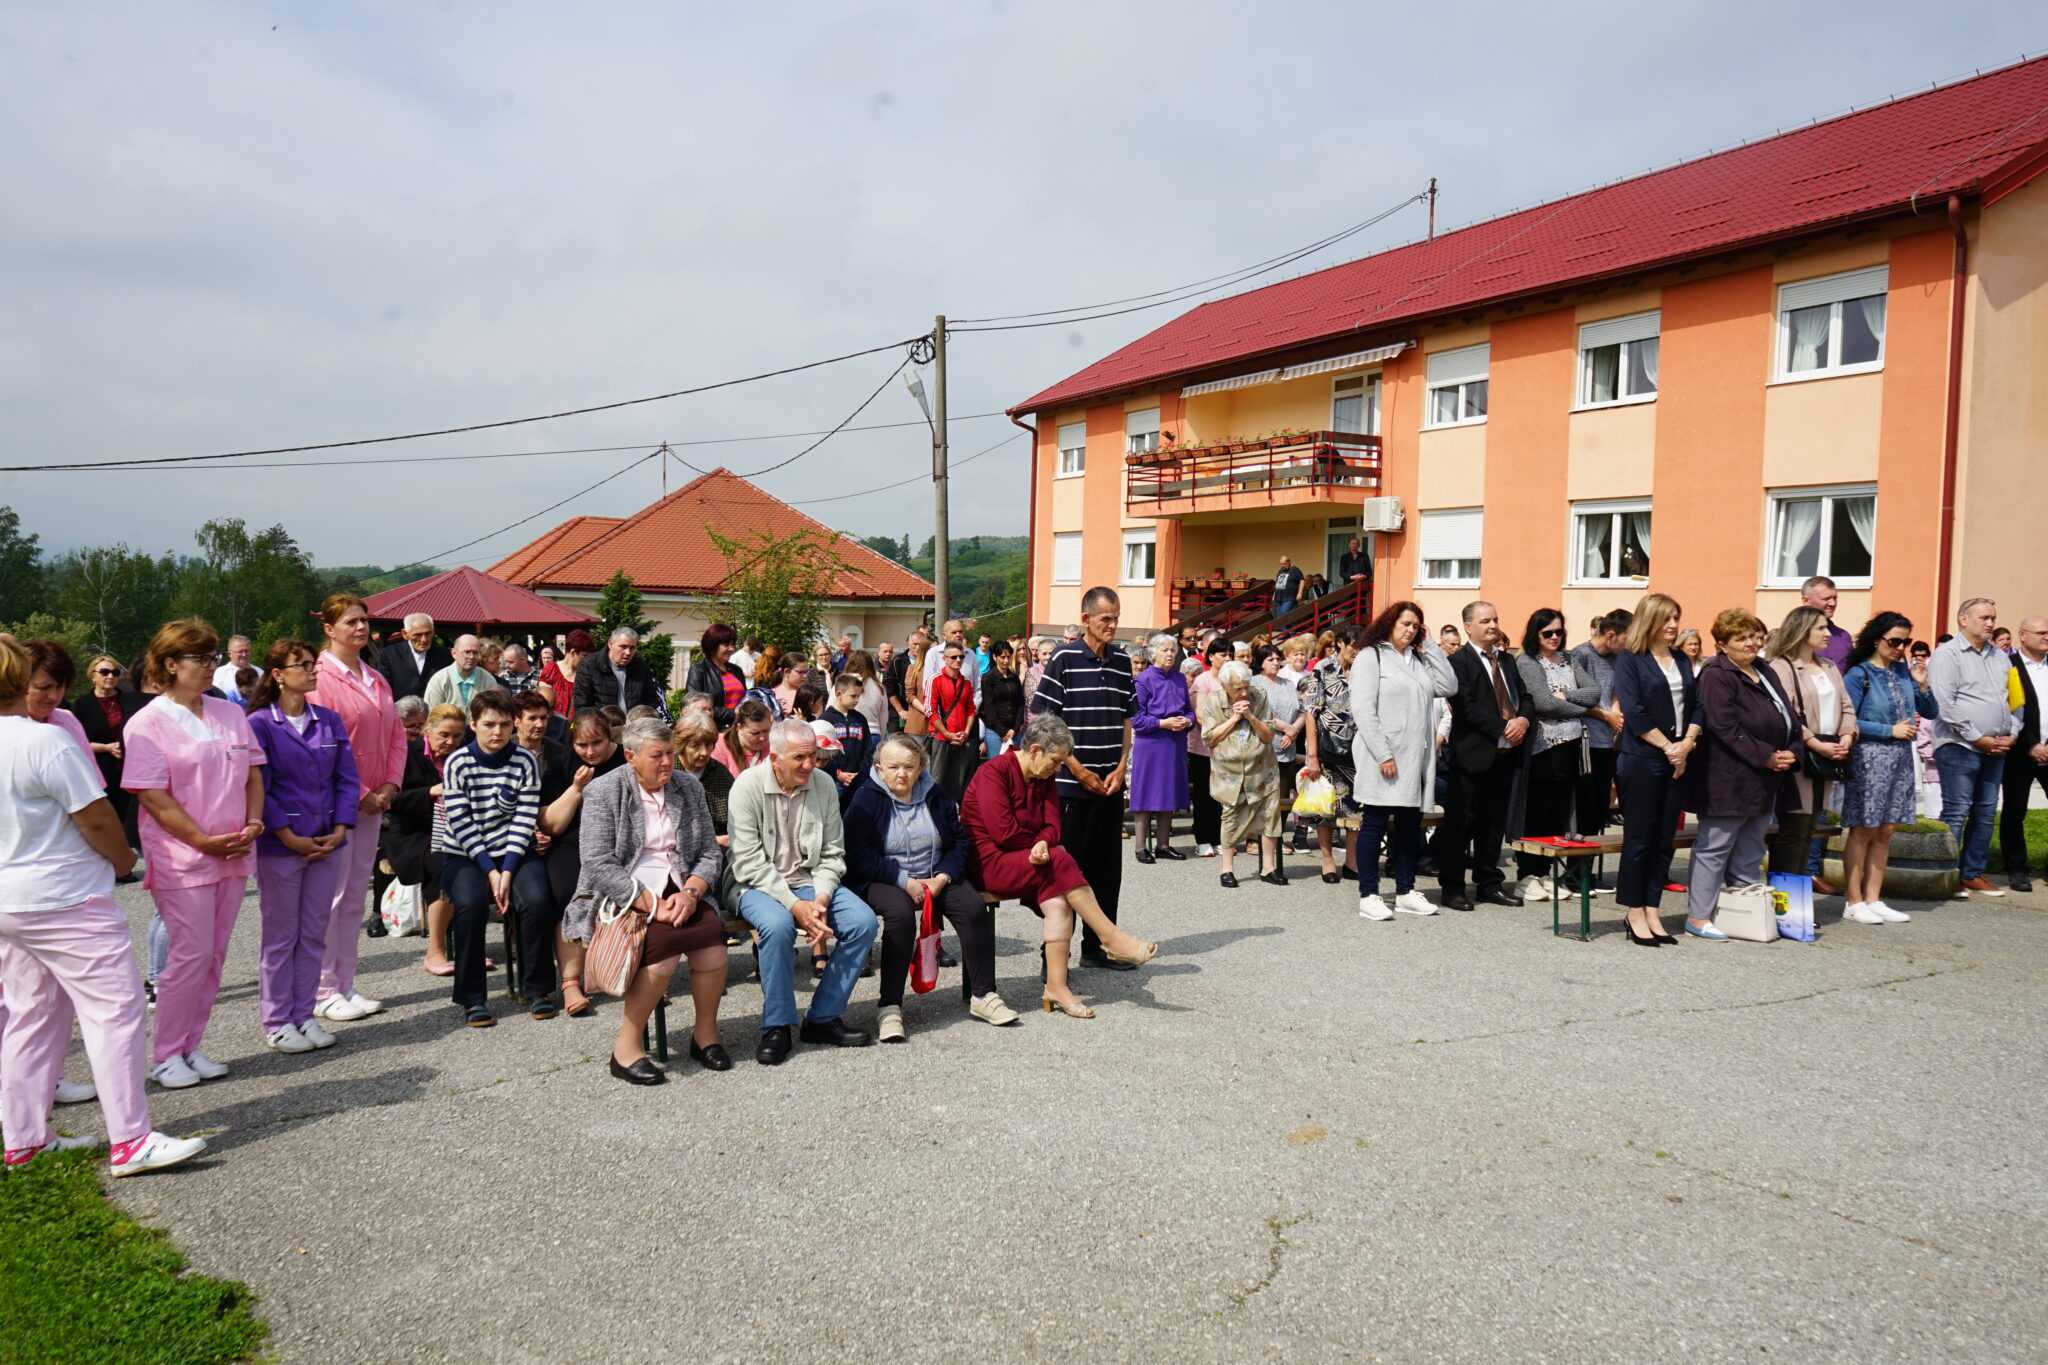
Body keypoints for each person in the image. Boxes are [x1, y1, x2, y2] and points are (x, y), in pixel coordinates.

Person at [0, 635, 208, 1176]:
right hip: (64, 896)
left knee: (31, 1012)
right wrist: (120, 860)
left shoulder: (39, 735)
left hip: (10, 899)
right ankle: (130, 1140)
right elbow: (94, 816)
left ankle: (23, 1138)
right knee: (115, 1010)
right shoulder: (43, 742)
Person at [123, 619, 267, 1089]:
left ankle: (191, 1044)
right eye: (200, 659)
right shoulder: (146, 722)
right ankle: (166, 1054)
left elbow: (252, 775)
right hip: (182, 855)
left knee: (215, 954)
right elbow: (151, 795)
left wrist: (253, 821)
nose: (211, 667)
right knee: (189, 953)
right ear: (170, 665)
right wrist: (200, 839)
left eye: (212, 658)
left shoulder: (228, 713)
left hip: (232, 848)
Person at [566, 717, 728, 1084]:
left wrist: (691, 893)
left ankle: (705, 1036)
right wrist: (651, 904)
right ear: (630, 756)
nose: (669, 762)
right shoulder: (605, 790)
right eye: (658, 756)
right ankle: (625, 1049)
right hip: (624, 891)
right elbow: (597, 862)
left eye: (671, 753)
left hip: (680, 885)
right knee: (663, 953)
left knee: (714, 947)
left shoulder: (687, 787)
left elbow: (708, 852)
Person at [961, 714, 1158, 1018]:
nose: (1058, 768)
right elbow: (1003, 832)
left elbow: (1054, 825)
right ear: (1035, 749)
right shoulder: (993, 772)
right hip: (988, 863)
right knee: (1062, 858)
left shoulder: (1044, 777)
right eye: (1055, 760)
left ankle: (1057, 986)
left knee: (1059, 902)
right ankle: (1109, 936)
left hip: (1027, 857)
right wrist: (1041, 844)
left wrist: (1043, 843)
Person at [845, 734, 1020, 1039]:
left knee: (974, 907)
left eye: (909, 767)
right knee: (899, 917)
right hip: (884, 876)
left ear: (922, 767)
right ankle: (890, 1007)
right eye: (893, 767)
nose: (901, 774)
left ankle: (983, 995)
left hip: (934, 874)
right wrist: (904, 881)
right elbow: (859, 855)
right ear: (879, 767)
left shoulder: (935, 794)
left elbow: (960, 841)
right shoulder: (866, 797)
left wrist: (942, 876)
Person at [723, 720, 879, 1063]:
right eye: (800, 758)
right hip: (756, 883)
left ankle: (823, 1016)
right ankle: (777, 1024)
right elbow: (748, 862)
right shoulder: (746, 787)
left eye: (814, 757)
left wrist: (820, 899)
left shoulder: (822, 785)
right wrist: (796, 906)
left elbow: (833, 853)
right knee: (777, 926)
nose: (810, 765)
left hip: (811, 881)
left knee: (863, 922)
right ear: (775, 758)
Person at [245, 640, 360, 1053]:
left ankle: (304, 1012)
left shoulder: (328, 720)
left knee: (314, 933)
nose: (313, 671)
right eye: (304, 665)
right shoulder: (259, 724)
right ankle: (277, 1020)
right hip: (282, 846)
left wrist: (342, 826)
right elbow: (260, 786)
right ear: (278, 674)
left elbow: (347, 777)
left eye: (314, 664)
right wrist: (285, 833)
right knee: (280, 936)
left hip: (326, 842)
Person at [305, 593, 404, 1023]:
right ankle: (321, 988)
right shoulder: (319, 678)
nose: (360, 628)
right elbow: (321, 744)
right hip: (337, 802)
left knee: (352, 900)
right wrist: (362, 789)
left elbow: (397, 734)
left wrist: (390, 783)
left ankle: (344, 983)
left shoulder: (375, 678)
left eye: (363, 620)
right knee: (330, 898)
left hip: (373, 803)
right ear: (329, 629)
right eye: (350, 622)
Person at [1030, 587, 1139, 968]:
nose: (1112, 625)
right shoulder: (1064, 657)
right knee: (1066, 872)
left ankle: (1099, 947)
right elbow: (1044, 721)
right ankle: (1055, 957)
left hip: (1110, 783)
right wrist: (1076, 767)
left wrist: (1123, 765)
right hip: (1071, 786)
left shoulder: (1123, 661)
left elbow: (1127, 718)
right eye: (1105, 618)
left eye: (1116, 617)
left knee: (1107, 872)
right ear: (1086, 617)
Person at [1682, 610, 1801, 942]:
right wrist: (1766, 756)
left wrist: (1794, 750)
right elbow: (1723, 726)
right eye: (1742, 638)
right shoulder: (1716, 674)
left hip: (1766, 777)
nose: (1752, 642)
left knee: (1751, 845)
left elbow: (1789, 716)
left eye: (1755, 635)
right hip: (1728, 777)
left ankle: (1743, 912)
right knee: (1715, 846)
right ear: (1722, 644)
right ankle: (1698, 916)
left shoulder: (1763, 670)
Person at [438, 690, 542, 1027]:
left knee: (538, 900)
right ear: (473, 725)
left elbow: (524, 818)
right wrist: (490, 871)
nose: (496, 732)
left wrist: (507, 870)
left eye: (503, 725)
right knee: (469, 904)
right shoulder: (457, 762)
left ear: (514, 725)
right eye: (488, 725)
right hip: (466, 853)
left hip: (513, 851)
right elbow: (461, 822)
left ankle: (536, 988)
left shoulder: (525, 761)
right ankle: (472, 998)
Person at [1349, 602, 1458, 918]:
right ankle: (1368, 894)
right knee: (1375, 823)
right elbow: (1363, 710)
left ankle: (1406, 889)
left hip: (1415, 757)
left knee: (1410, 826)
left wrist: (1432, 645)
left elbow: (1449, 686)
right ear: (1390, 623)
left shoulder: (1419, 660)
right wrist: (1383, 753)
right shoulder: (1372, 656)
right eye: (1405, 623)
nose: (1409, 630)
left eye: (1415, 626)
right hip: (1383, 754)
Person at [1611, 594, 1699, 946]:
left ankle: (1652, 906)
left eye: (1676, 618)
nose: (1673, 626)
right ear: (1649, 621)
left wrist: (1687, 743)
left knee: (1665, 839)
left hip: (1678, 754)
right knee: (1640, 838)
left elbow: (1698, 705)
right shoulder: (1631, 661)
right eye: (1666, 619)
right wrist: (1667, 747)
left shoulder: (1680, 658)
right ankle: (1633, 910)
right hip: (1643, 757)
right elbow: (1634, 711)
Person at [1509, 609, 1607, 903]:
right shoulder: (1528, 661)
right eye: (1548, 633)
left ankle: (1545, 873)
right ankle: (1528, 874)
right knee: (1536, 812)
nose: (1554, 637)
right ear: (1535, 634)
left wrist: (1567, 696)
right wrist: (1582, 708)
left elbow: (1594, 691)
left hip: (1571, 745)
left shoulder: (1570, 659)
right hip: (1542, 746)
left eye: (1559, 632)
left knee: (1559, 812)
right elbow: (1543, 704)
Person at [1437, 602, 1529, 911]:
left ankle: (1489, 882)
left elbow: (1524, 698)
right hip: (1472, 754)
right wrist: (1504, 727)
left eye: (1496, 619)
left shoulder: (1506, 660)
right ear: (1468, 627)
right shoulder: (1459, 662)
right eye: (1485, 620)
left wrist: (1523, 721)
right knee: (1461, 824)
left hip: (1505, 754)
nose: (1492, 625)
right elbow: (1466, 706)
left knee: (1493, 823)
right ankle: (1452, 887)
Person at [534, 708, 625, 1017]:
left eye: (597, 743)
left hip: (620, 842)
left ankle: (630, 971)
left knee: (632, 892)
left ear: (610, 737)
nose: (589, 752)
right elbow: (550, 825)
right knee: (567, 895)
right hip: (572, 842)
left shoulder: (628, 760)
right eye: (581, 746)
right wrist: (575, 789)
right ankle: (571, 981)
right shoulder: (562, 764)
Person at [1928, 598, 2019, 898]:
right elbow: (1944, 703)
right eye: (1984, 617)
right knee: (1957, 810)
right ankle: (1946, 874)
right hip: (1959, 745)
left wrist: (2012, 733)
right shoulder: (1947, 655)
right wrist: (1976, 736)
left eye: (1993, 617)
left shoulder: (2001, 656)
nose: (1990, 623)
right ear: (1963, 619)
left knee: (1986, 811)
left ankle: (1972, 872)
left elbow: (2016, 700)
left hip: (1997, 746)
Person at [1763, 606, 1857, 888]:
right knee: (1793, 830)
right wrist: (1815, 743)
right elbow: (1786, 714)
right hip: (1802, 756)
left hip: (1829, 754)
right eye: (1820, 628)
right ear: (1802, 630)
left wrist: (1846, 736)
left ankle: (1796, 902)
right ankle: (1784, 900)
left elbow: (1846, 706)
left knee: (1810, 829)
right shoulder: (1782, 666)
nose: (1827, 633)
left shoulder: (1828, 667)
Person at [383, 703, 465, 976]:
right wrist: (431, 791)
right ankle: (435, 949)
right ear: (428, 731)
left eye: (457, 736)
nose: (450, 742)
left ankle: (470, 948)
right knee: (444, 863)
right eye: (444, 735)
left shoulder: (464, 757)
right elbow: (394, 801)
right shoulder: (407, 755)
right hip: (413, 832)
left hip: (457, 829)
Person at [1200, 661, 1284, 888]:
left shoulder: (1260, 696)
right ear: (1226, 686)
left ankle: (1268, 868)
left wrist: (1250, 717)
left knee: (1270, 816)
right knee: (1230, 817)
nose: (1244, 692)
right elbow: (1209, 738)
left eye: (1246, 686)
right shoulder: (1215, 700)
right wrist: (1235, 719)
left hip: (1262, 769)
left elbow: (1268, 736)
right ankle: (1227, 869)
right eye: (1238, 688)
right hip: (1230, 772)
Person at [1300, 621, 1365, 883]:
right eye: (1353, 647)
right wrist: (1312, 756)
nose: (1357, 652)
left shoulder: (1367, 671)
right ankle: (1327, 860)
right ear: (1339, 644)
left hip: (1358, 752)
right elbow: (1310, 713)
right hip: (1327, 750)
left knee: (1356, 809)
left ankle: (1352, 861)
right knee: (1324, 807)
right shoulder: (1322, 670)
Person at [71, 654, 148, 859]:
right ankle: (114, 860)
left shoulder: (130, 699)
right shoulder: (82, 705)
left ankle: (131, 854)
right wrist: (105, 748)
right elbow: (76, 741)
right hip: (101, 766)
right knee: (108, 812)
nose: (110, 676)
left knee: (130, 811)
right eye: (104, 672)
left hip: (130, 764)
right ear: (92, 676)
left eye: (115, 672)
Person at [1130, 634, 1195, 863]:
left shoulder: (1179, 678)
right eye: (1165, 650)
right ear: (1154, 653)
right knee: (1146, 794)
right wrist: (1162, 723)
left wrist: (1188, 721)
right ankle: (1140, 847)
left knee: (1169, 793)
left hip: (1175, 743)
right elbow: (1137, 719)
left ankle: (1163, 845)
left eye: (1172, 650)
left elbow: (1189, 710)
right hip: (1151, 743)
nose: (1169, 654)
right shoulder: (1143, 680)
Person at [1568, 610, 1630, 840]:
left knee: (1599, 809)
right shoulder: (1580, 655)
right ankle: (1579, 869)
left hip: (1609, 742)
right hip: (1586, 742)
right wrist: (1605, 716)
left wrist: (1615, 708)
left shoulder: (1619, 658)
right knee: (1585, 809)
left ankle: (1589, 870)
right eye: (1626, 639)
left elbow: (1615, 691)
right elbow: (1571, 699)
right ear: (1611, 635)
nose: (1628, 645)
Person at [2000, 617, 2048, 892]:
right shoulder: (2009, 666)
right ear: (2023, 636)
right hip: (2020, 750)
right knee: (2015, 811)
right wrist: (2031, 744)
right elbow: (2008, 708)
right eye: (2041, 633)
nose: (2046, 637)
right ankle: (2017, 868)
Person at [1251, 644, 1306, 808]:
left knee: (1283, 798)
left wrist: (1293, 731)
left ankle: (1278, 832)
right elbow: (1258, 713)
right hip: (1265, 746)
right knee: (1265, 798)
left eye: (1277, 659)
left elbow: (1302, 711)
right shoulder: (1254, 683)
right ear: (1261, 662)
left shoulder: (1288, 684)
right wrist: (1285, 728)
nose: (1275, 662)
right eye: (1270, 659)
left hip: (1288, 746)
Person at [926, 639, 979, 801]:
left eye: (961, 657)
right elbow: (930, 710)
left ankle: (954, 815)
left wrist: (966, 732)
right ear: (945, 658)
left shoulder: (967, 683)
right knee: (937, 778)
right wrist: (947, 733)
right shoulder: (935, 680)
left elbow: (971, 709)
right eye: (954, 657)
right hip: (941, 737)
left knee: (960, 780)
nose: (958, 660)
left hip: (962, 737)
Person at [574, 627, 665, 715]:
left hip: (634, 727)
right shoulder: (590, 665)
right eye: (623, 646)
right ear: (610, 644)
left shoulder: (640, 667)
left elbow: (651, 701)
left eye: (632, 648)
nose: (628, 652)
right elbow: (582, 704)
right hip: (603, 726)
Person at [818, 673, 873, 808]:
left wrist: (861, 772)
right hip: (834, 780)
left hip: (858, 779)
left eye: (859, 696)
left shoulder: (860, 718)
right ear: (839, 694)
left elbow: (868, 748)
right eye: (853, 696)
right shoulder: (826, 719)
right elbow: (821, 754)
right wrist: (838, 773)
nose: (857, 700)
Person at [374, 613, 453, 702]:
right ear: (405, 634)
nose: (424, 639)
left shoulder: (445, 655)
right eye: (418, 635)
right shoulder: (389, 655)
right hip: (401, 712)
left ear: (433, 631)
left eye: (428, 633)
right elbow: (383, 689)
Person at [423, 635, 500, 711]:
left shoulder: (488, 679)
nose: (471, 657)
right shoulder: (439, 680)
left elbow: (494, 711)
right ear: (454, 653)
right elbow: (432, 715)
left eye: (475, 653)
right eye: (467, 652)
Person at [978, 640, 1025, 761]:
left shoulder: (1014, 677)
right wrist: (1002, 731)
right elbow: (989, 707)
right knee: (996, 766)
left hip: (1014, 732)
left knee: (1013, 766)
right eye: (1002, 657)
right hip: (995, 731)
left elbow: (1020, 703)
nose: (1006, 660)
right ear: (994, 657)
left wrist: (1014, 728)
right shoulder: (988, 678)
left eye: (1008, 657)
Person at [1801, 576, 1853, 671]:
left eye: (1835, 598)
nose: (1833, 603)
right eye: (1826, 599)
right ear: (1806, 601)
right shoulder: (1793, 635)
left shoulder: (1843, 636)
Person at [711, 697, 773, 777]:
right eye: (755, 733)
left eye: (766, 731)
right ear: (739, 727)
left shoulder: (773, 744)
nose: (762, 738)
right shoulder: (720, 745)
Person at [843, 650, 889, 736]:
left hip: (848, 732)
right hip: (873, 732)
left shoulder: (842, 684)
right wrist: (881, 735)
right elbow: (884, 716)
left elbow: (831, 708)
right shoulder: (879, 687)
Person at [210, 635, 253, 702]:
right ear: (229, 654)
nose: (244, 654)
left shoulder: (260, 672)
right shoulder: (220, 673)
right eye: (240, 652)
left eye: (246, 651)